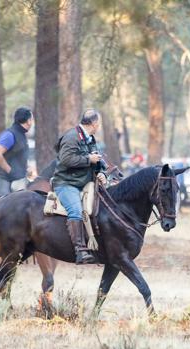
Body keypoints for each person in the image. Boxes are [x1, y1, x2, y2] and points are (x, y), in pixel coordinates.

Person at [52, 109, 106, 264]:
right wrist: (89, 159)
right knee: (76, 212)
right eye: (99, 123)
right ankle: (80, 251)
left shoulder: (90, 138)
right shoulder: (72, 137)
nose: (99, 126)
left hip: (85, 182)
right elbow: (66, 160)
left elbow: (97, 160)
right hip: (67, 183)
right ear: (94, 124)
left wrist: (101, 172)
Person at [0, 107, 34, 196]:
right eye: (32, 119)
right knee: (6, 203)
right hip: (2, 178)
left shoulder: (22, 134)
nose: (32, 122)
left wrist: (26, 168)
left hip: (18, 178)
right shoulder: (9, 135)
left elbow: (18, 156)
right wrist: (10, 170)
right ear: (28, 121)